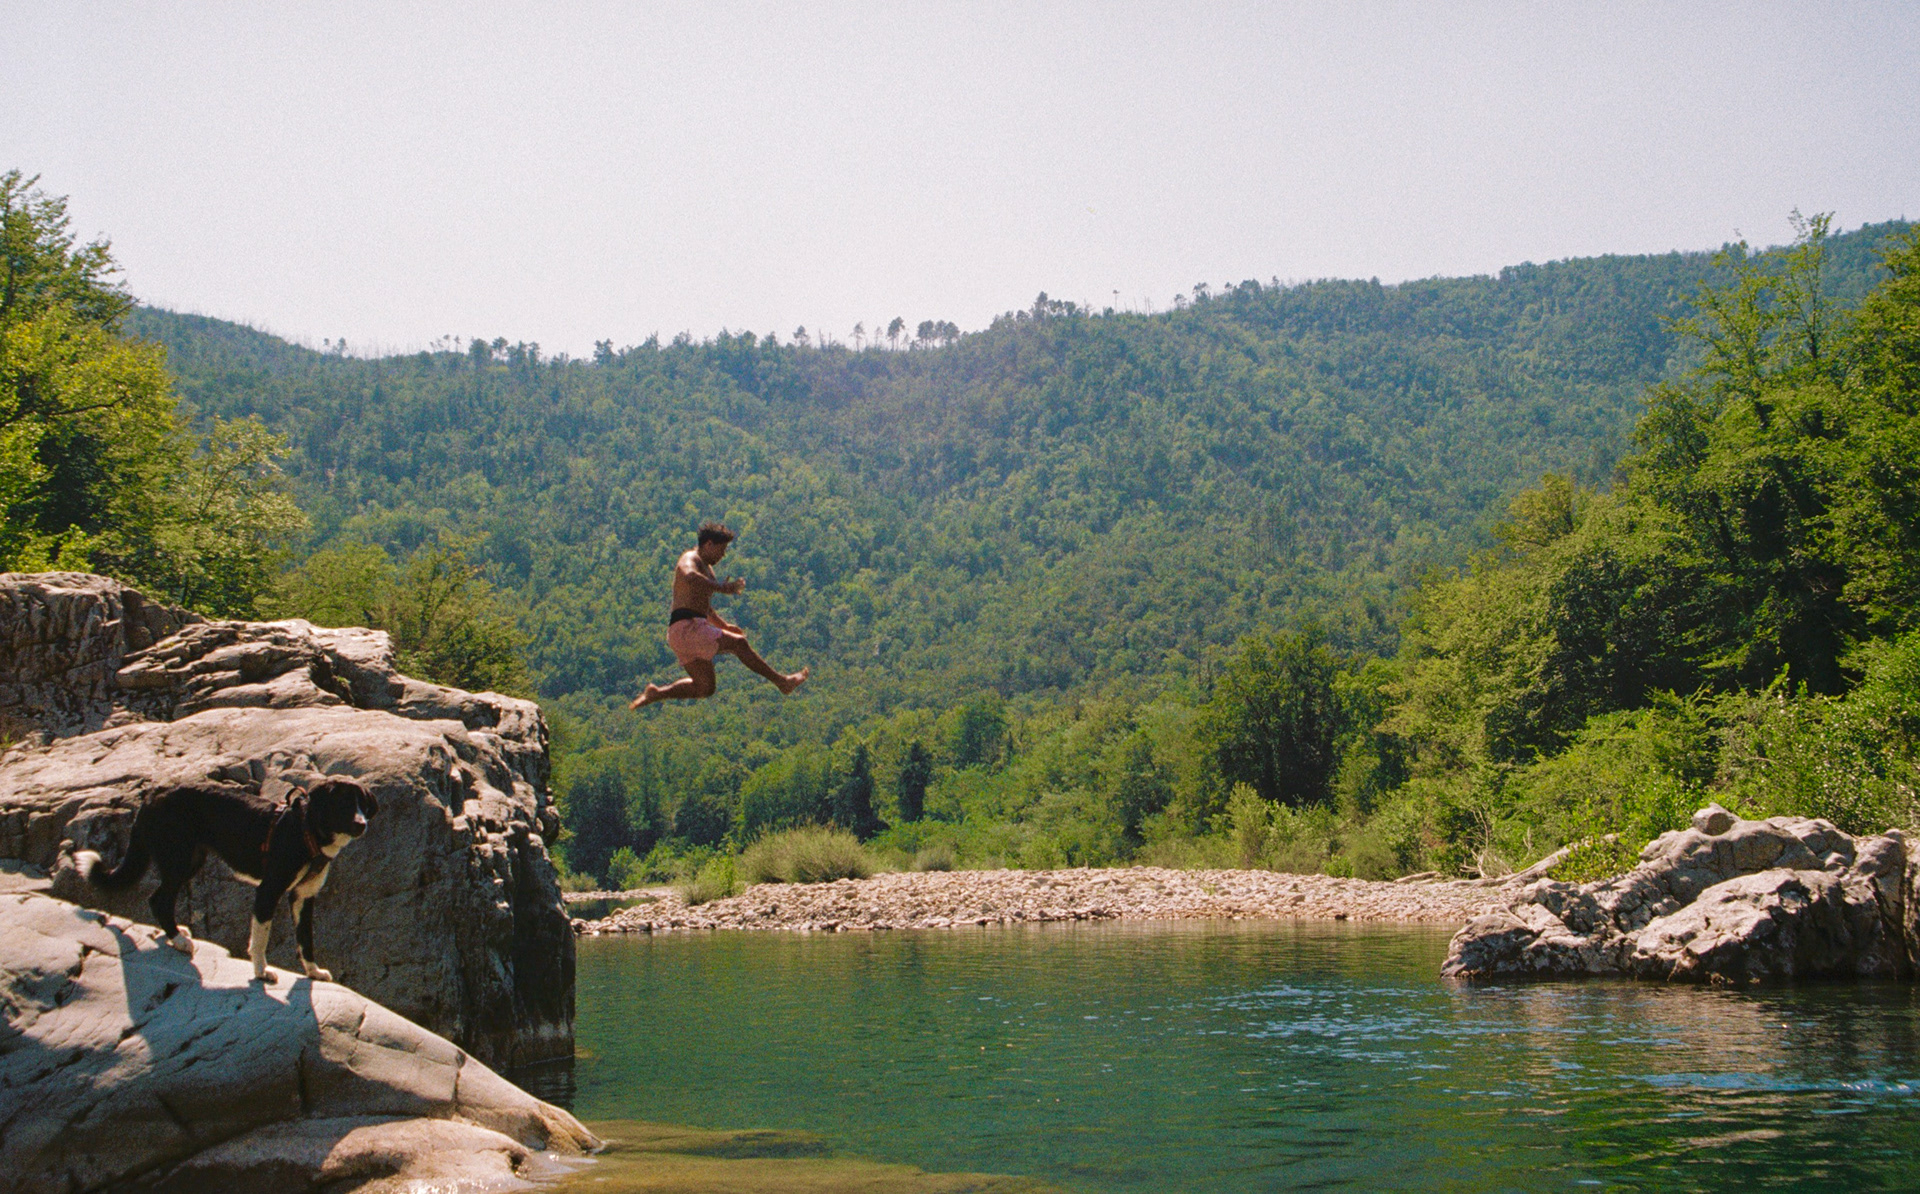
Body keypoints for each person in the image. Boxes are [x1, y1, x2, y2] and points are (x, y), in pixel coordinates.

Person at [629, 522, 808, 709]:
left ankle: (657, 693)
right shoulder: (690, 558)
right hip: (687, 628)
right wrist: (722, 588)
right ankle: (782, 682)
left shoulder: (707, 570)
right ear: (708, 544)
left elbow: (705, 608)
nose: (723, 555)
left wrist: (724, 626)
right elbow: (689, 575)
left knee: (705, 687)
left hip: (684, 632)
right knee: (739, 644)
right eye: (721, 550)